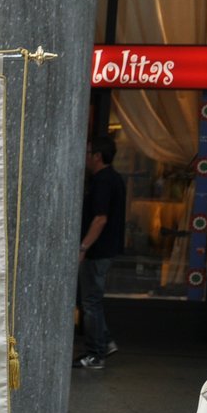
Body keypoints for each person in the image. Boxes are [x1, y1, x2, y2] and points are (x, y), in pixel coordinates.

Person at [75, 134, 125, 369]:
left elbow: (100, 219)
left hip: (97, 250)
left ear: (97, 156)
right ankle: (104, 342)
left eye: (87, 153)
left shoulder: (103, 181)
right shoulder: (112, 179)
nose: (84, 158)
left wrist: (84, 246)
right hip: (103, 249)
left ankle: (95, 353)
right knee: (92, 300)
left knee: (90, 302)